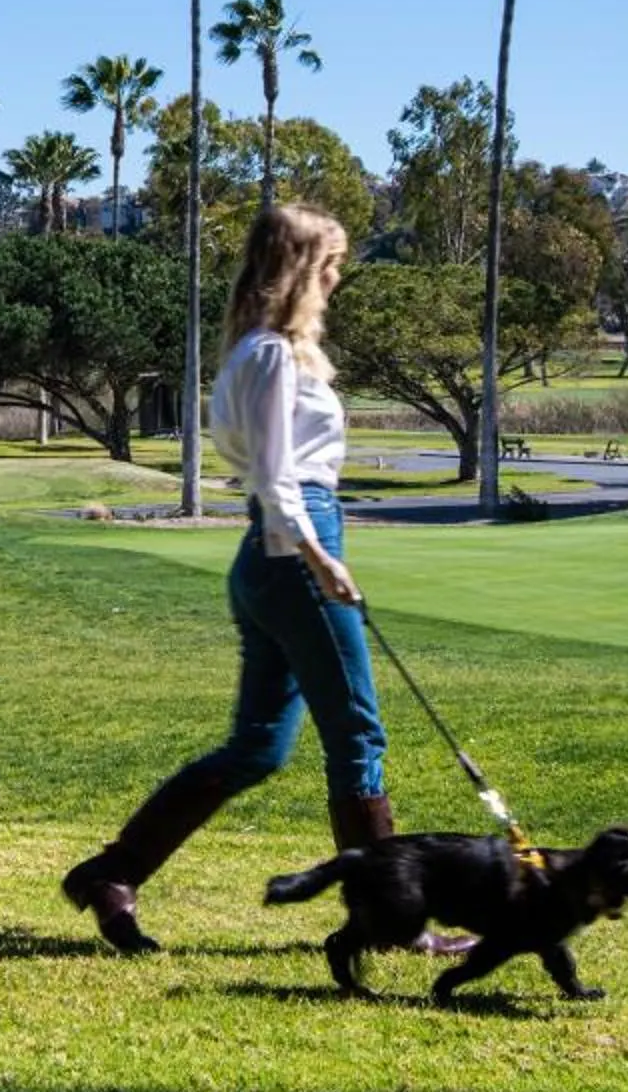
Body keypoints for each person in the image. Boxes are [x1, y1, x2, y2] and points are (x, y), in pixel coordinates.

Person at [61, 203, 464, 956]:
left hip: (267, 554)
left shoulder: (249, 351)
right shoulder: (273, 355)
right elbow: (281, 477)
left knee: (259, 747)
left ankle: (111, 876)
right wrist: (319, 555)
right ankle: (389, 918)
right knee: (356, 734)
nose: (339, 278)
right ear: (302, 269)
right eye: (332, 264)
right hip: (293, 544)